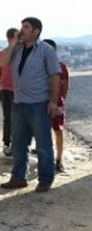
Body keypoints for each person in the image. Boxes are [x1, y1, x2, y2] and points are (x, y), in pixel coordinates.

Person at [0, 16, 61, 193]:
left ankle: (45, 179)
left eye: (26, 27)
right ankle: (19, 178)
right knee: (18, 145)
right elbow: (3, 63)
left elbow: (55, 76)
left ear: (36, 31)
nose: (22, 30)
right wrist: (13, 44)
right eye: (21, 26)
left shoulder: (46, 50)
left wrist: (54, 102)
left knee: (43, 145)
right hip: (18, 104)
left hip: (39, 104)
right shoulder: (17, 49)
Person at [43, 39, 70, 172]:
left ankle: (59, 161)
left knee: (58, 131)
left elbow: (65, 87)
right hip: (40, 104)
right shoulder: (38, 67)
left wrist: (61, 103)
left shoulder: (62, 67)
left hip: (56, 105)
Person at [0, 28, 19, 157]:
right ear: (10, 38)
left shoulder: (22, 52)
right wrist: (3, 81)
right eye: (16, 37)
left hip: (21, 89)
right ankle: (7, 143)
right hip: (7, 89)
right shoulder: (2, 53)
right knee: (8, 118)